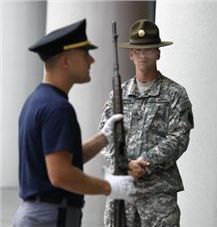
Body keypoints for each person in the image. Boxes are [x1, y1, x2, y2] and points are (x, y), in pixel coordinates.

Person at [13, 19, 136, 227]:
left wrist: (103, 138)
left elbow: (62, 158)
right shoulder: (58, 108)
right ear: (66, 61)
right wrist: (109, 187)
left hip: (38, 214)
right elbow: (60, 174)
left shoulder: (38, 100)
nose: (91, 61)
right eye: (85, 53)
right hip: (52, 217)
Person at [99, 19, 194, 227]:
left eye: (149, 49)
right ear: (131, 54)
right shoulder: (118, 95)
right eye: (138, 50)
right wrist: (124, 165)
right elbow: (105, 137)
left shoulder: (175, 93)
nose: (143, 55)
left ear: (158, 53)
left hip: (158, 194)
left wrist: (145, 163)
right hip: (122, 190)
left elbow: (179, 137)